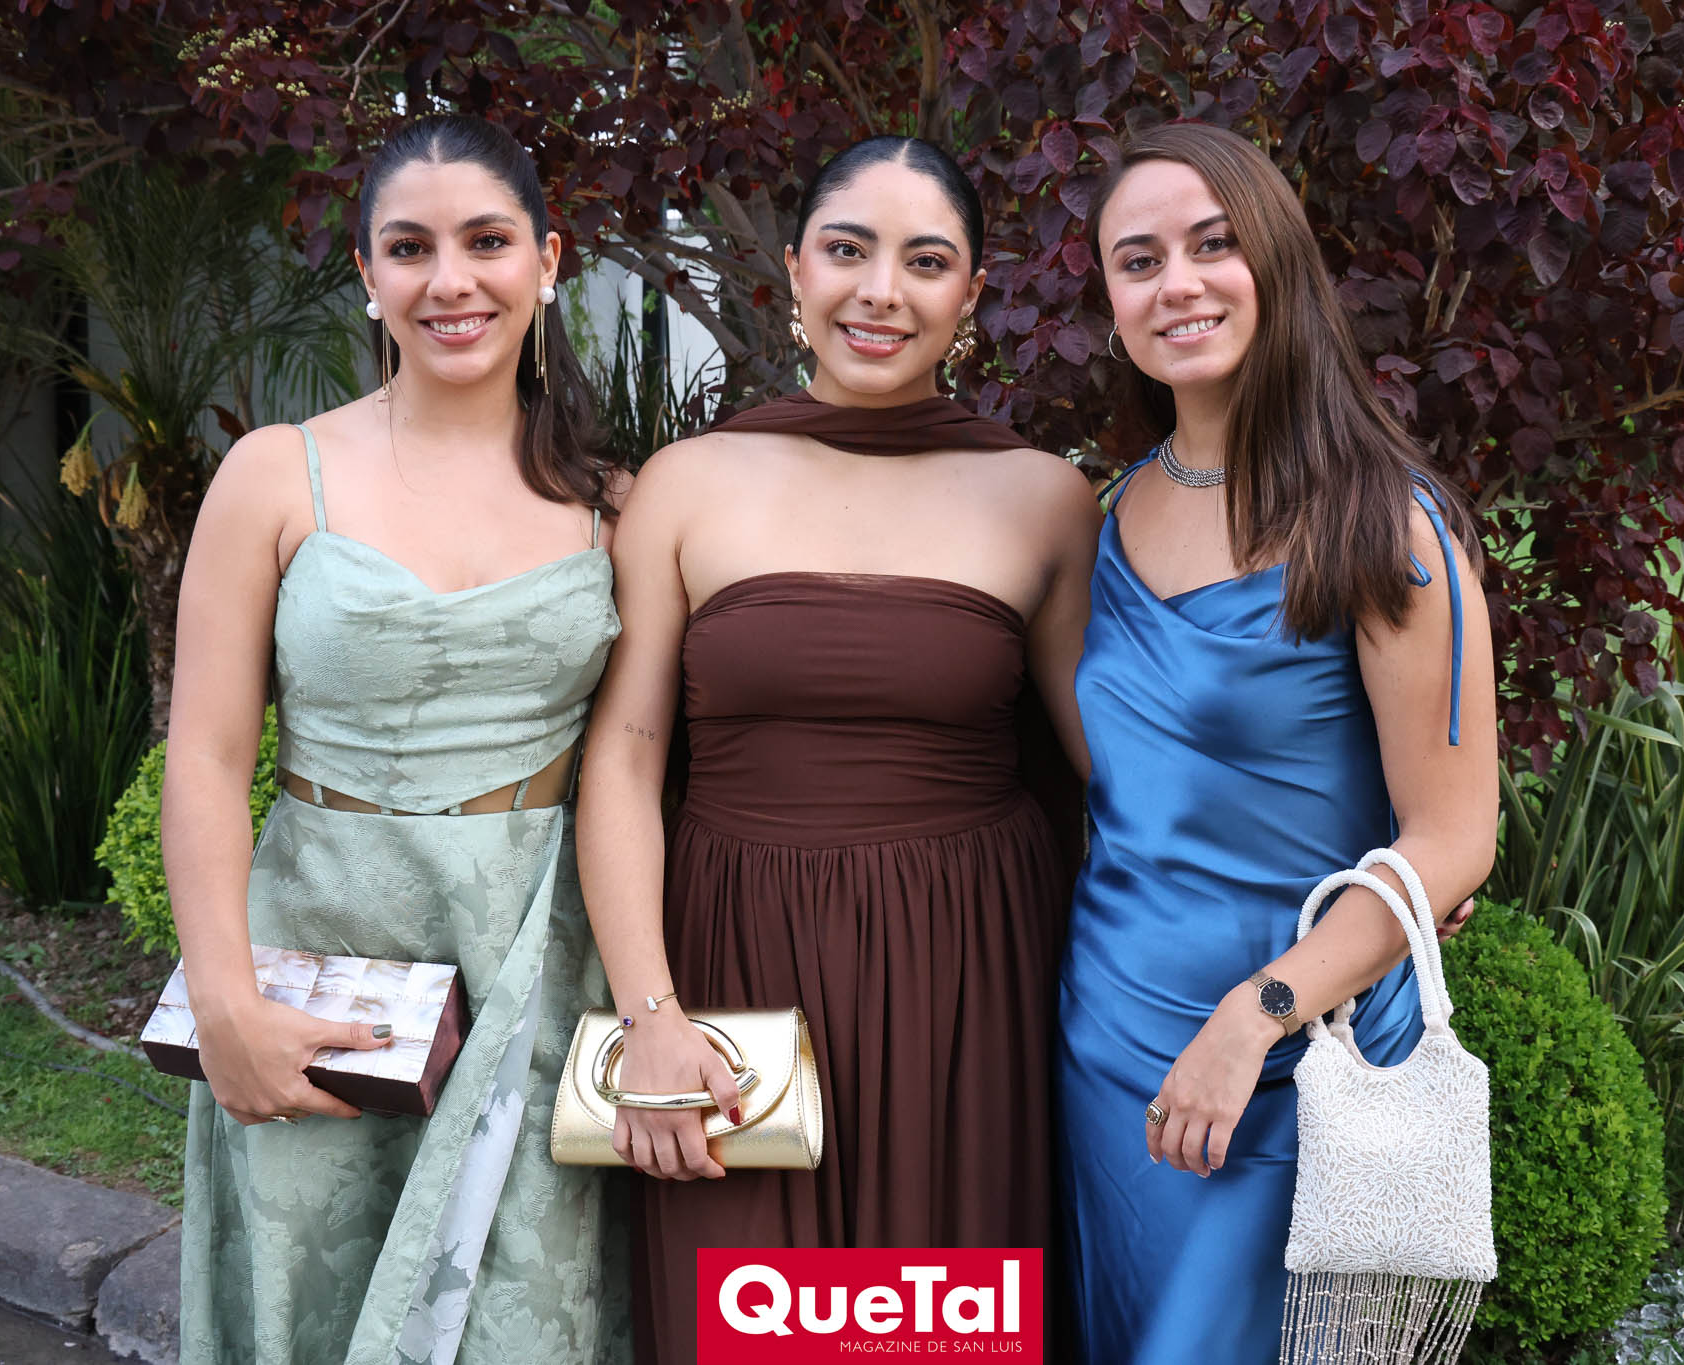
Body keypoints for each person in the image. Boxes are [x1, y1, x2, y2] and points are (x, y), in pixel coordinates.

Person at [575, 134, 1100, 1364]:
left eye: (925, 262)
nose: (881, 292)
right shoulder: (687, 484)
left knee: (946, 1331)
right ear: (797, 270)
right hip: (731, 966)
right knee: (746, 1333)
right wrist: (649, 1014)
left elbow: (1110, 768)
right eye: (848, 250)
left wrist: (1343, 857)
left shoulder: (1043, 498)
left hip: (965, 982)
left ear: (970, 295)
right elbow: (624, 759)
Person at [164, 114, 629, 1364]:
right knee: (311, 1302)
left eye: (486, 241)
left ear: (547, 260)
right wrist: (224, 1001)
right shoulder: (275, 474)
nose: (450, 280)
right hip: (317, 962)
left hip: (532, 965)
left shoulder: (614, 507)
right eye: (410, 248)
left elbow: (637, 767)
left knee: (517, 1311)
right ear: (368, 273)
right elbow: (205, 756)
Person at [1054, 122, 1498, 1363]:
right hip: (1109, 1042)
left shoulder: (1382, 523)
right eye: (1137, 261)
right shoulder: (1113, 510)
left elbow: (1454, 837)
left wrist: (1255, 1017)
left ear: (1275, 261)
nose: (1176, 284)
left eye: (1212, 245)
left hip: (1299, 1053)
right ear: (1110, 301)